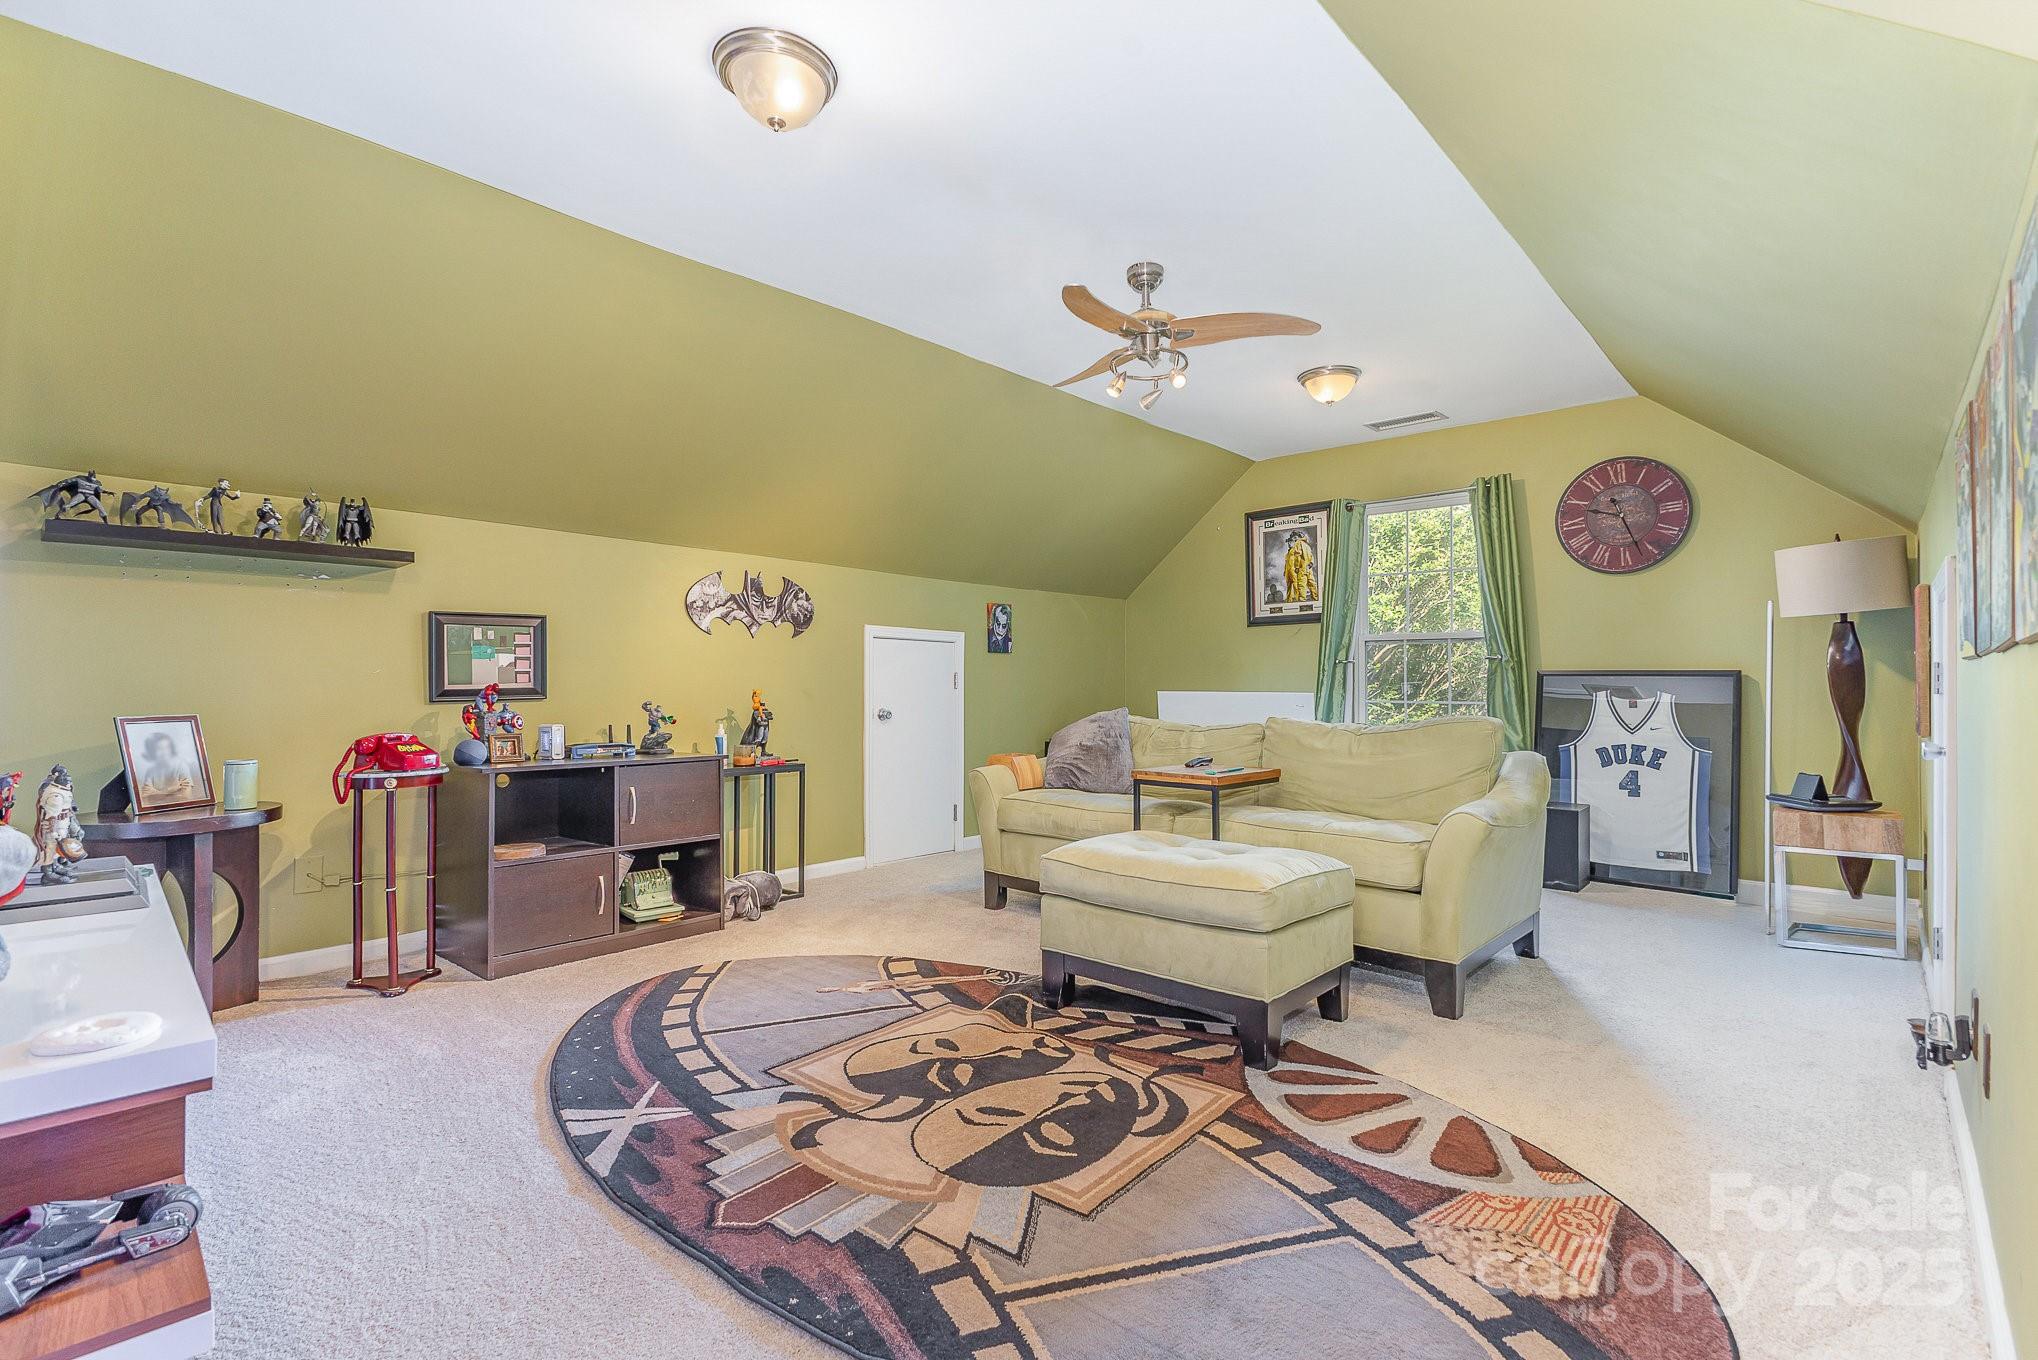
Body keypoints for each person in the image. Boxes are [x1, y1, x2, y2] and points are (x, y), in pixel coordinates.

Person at [135, 732, 200, 807]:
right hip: (157, 812)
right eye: (159, 749)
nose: (164, 752)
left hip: (181, 811)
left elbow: (185, 797)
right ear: (152, 751)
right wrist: (171, 790)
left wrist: (157, 794)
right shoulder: (151, 771)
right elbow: (147, 799)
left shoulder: (181, 766)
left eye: (167, 748)